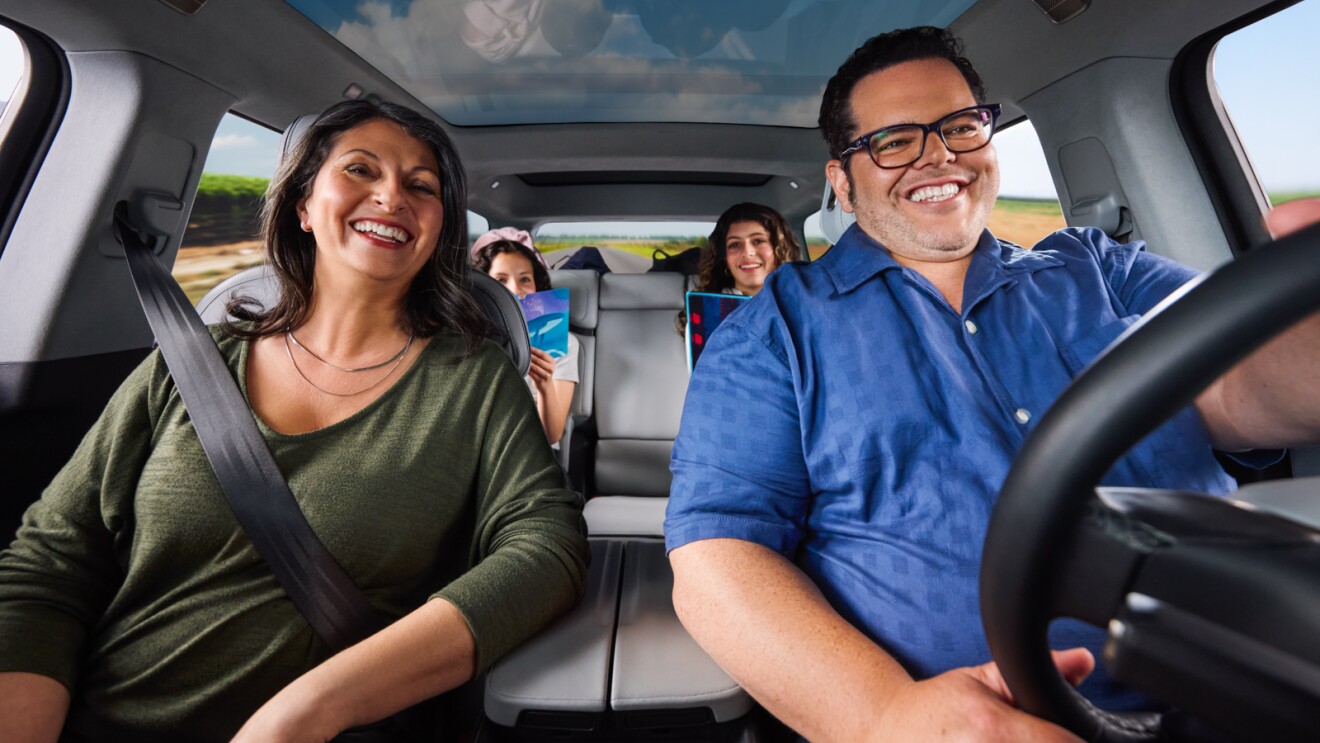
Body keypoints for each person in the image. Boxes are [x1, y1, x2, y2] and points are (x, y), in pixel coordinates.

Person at [664, 25, 1320, 743]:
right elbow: (717, 558)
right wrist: (884, 716)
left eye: (960, 126)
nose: (938, 155)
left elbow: (1242, 380)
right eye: (894, 141)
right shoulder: (773, 334)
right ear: (843, 183)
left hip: (1258, 685)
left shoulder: (1102, 269)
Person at [0, 99, 589, 743]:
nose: (392, 194)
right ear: (303, 205)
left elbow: (547, 545)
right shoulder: (191, 360)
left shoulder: (473, 379)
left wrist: (314, 707)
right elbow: (51, 561)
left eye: (422, 186)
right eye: (361, 169)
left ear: (438, 229)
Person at [472, 228, 581, 446]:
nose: (515, 289)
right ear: (486, 289)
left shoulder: (564, 342)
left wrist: (544, 385)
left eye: (525, 279)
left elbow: (551, 436)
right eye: (501, 279)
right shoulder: (466, 337)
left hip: (530, 450)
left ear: (537, 285)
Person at [675, 202, 801, 334]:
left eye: (758, 241)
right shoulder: (706, 314)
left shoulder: (802, 303)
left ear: (779, 249)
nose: (747, 252)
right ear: (724, 257)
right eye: (734, 244)